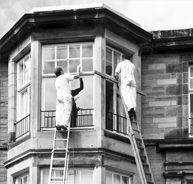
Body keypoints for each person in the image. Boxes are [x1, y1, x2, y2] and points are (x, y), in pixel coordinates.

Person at [54, 65, 81, 130]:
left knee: (60, 110)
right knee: (67, 109)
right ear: (61, 71)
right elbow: (77, 76)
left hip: (59, 96)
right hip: (65, 94)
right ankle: (64, 124)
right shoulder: (64, 76)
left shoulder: (56, 80)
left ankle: (58, 124)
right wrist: (78, 69)